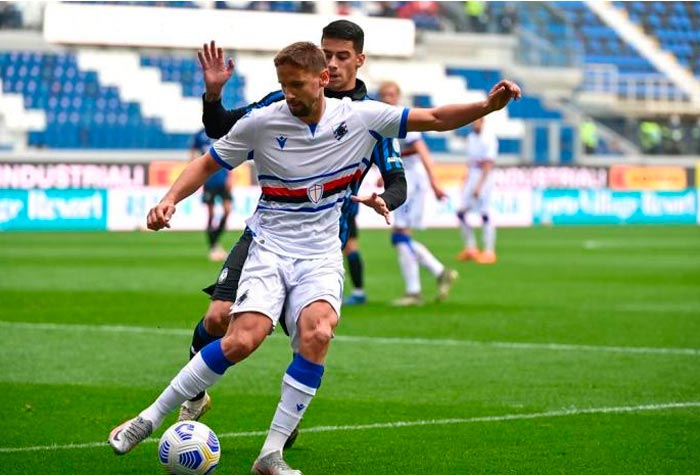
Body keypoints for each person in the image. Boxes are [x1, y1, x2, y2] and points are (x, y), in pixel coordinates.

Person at [107, 41, 521, 475]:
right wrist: (169, 199)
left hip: (321, 253)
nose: (289, 93)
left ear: (322, 80)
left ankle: (270, 456)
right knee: (241, 338)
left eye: (297, 84)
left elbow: (434, 119)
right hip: (269, 246)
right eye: (283, 84)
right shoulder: (263, 122)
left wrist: (487, 106)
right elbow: (208, 163)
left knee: (318, 333)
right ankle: (148, 419)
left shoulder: (361, 118)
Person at [178, 21, 408, 448]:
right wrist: (213, 94)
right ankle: (193, 394)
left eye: (342, 56)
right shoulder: (284, 99)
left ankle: (287, 420)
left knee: (310, 335)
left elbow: (397, 178)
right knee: (217, 317)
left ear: (360, 59)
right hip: (268, 233)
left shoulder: (371, 117)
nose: (334, 64)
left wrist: (384, 200)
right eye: (327, 54)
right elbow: (220, 128)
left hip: (321, 243)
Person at [377, 80, 457, 306]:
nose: (387, 98)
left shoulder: (401, 120)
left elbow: (422, 151)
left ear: (398, 96)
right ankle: (439, 273)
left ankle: (415, 291)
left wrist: (435, 183)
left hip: (412, 185)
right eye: (384, 94)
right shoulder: (383, 122)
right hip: (403, 182)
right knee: (400, 237)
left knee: (401, 236)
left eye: (392, 94)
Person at [456, 117, 498, 264]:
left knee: (485, 213)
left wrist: (479, 186)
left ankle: (489, 251)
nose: (474, 124)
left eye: (477, 121)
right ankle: (471, 248)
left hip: (484, 177)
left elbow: (488, 163)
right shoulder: (471, 138)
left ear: (482, 122)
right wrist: (466, 181)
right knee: (460, 212)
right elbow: (470, 162)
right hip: (472, 175)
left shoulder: (489, 138)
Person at [190, 127, 233, 261]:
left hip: (223, 178)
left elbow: (232, 155)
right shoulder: (199, 135)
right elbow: (192, 155)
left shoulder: (224, 131)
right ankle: (213, 246)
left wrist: (230, 177)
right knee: (211, 213)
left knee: (227, 211)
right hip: (209, 180)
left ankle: (216, 242)